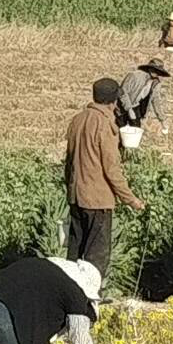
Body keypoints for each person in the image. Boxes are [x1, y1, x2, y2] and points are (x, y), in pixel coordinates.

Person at [65, 78, 145, 279]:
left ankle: (69, 292)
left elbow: (69, 161)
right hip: (97, 200)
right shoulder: (104, 124)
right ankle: (91, 296)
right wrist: (131, 199)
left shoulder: (78, 119)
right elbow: (111, 169)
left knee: (74, 254)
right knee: (96, 258)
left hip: (76, 196)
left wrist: (70, 188)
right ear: (113, 102)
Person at [118, 57, 171, 134]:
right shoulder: (134, 76)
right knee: (120, 131)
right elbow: (122, 92)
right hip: (122, 107)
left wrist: (162, 119)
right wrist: (129, 109)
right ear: (149, 68)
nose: (155, 72)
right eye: (153, 69)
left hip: (135, 107)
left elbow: (156, 101)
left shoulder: (155, 83)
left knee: (135, 132)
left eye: (157, 71)